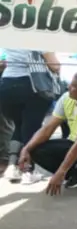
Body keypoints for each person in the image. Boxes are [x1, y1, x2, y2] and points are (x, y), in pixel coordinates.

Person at [0, 49, 60, 184]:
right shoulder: (39, 39)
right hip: (32, 86)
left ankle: (12, 167)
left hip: (7, 85)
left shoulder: (11, 39)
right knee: (31, 129)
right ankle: (28, 171)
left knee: (19, 125)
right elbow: (54, 65)